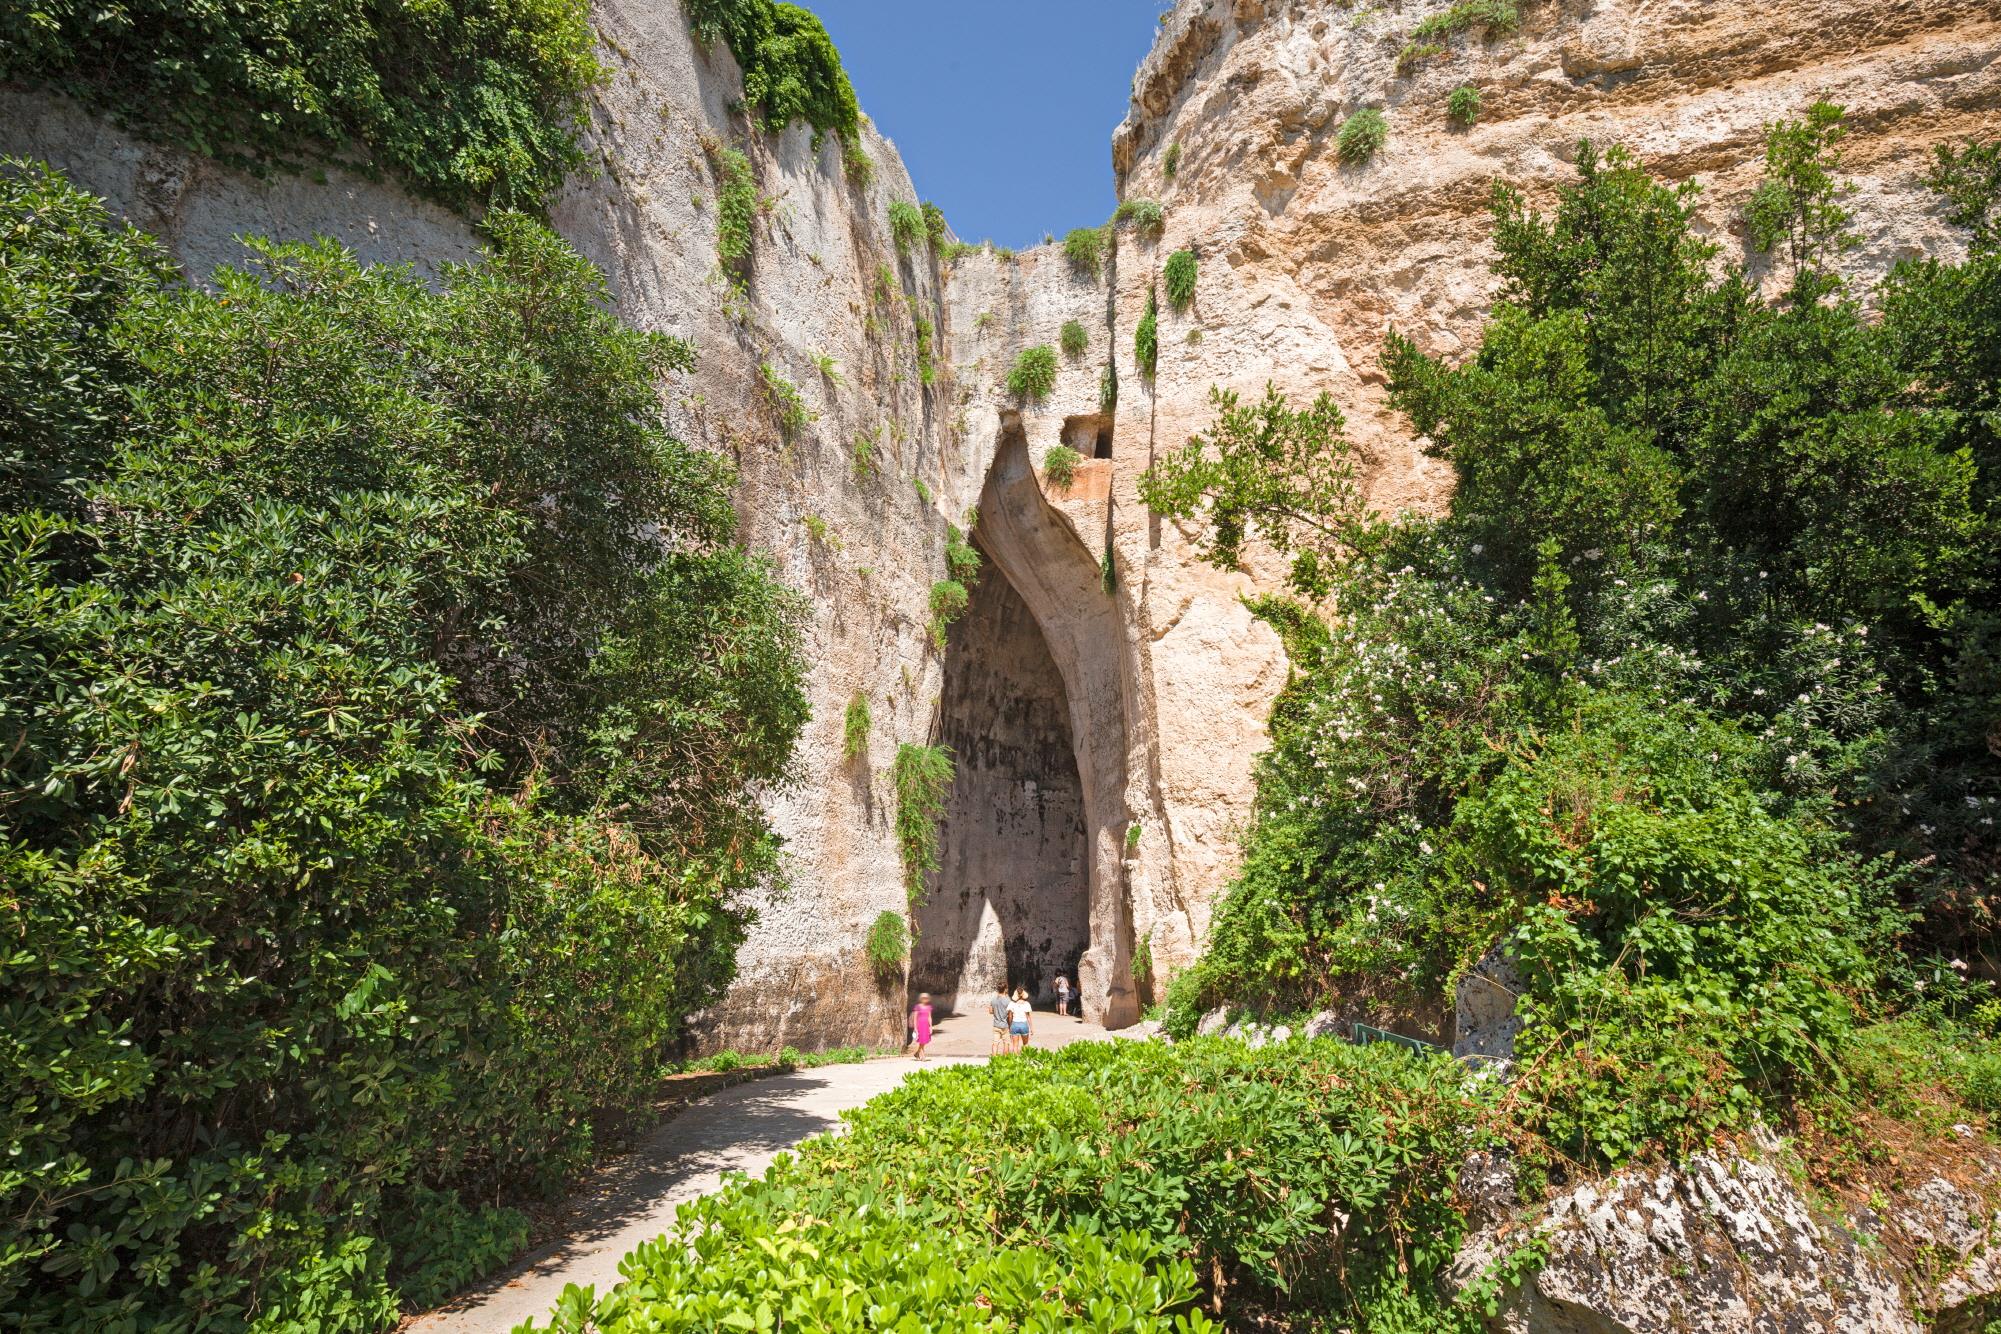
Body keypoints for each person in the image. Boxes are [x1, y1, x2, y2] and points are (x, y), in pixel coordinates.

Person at [908, 992, 933, 1060]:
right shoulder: (917, 1007)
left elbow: (929, 1017)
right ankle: (923, 1055)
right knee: (921, 1040)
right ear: (920, 999)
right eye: (923, 998)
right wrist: (915, 1028)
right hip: (920, 1025)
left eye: (926, 998)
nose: (925, 999)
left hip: (926, 1025)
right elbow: (915, 1018)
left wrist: (930, 1026)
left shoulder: (929, 1007)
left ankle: (917, 1052)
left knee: (924, 1040)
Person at [1007, 988, 1033, 1053]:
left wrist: (1010, 1026)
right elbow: (1028, 1017)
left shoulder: (1011, 1003)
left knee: (1015, 1045)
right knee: (1025, 1044)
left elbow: (1010, 1016)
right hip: (1024, 1024)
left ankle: (1015, 1060)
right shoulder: (1027, 1004)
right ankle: (1025, 1059)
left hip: (1015, 1024)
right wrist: (1031, 1028)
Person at [989, 985, 1012, 1057]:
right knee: (1006, 1043)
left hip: (996, 1024)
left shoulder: (993, 999)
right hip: (1005, 1025)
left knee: (995, 1043)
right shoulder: (1008, 1000)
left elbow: (990, 1011)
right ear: (1005, 989)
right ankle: (1005, 1059)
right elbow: (1010, 1015)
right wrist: (1010, 1025)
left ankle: (994, 1058)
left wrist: (997, 1012)